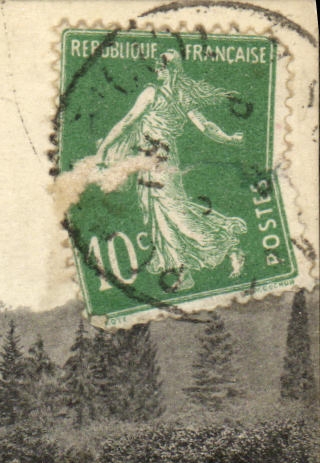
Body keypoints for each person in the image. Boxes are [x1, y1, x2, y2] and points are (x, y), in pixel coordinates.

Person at [92, 49, 248, 291]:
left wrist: (103, 150)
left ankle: (228, 245)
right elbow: (205, 127)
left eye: (162, 65)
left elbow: (127, 122)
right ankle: (182, 271)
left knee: (174, 212)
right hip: (153, 159)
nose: (158, 69)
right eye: (158, 65)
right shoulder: (179, 96)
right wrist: (228, 138)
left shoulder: (154, 93)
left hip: (160, 160)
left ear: (170, 70)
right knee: (161, 214)